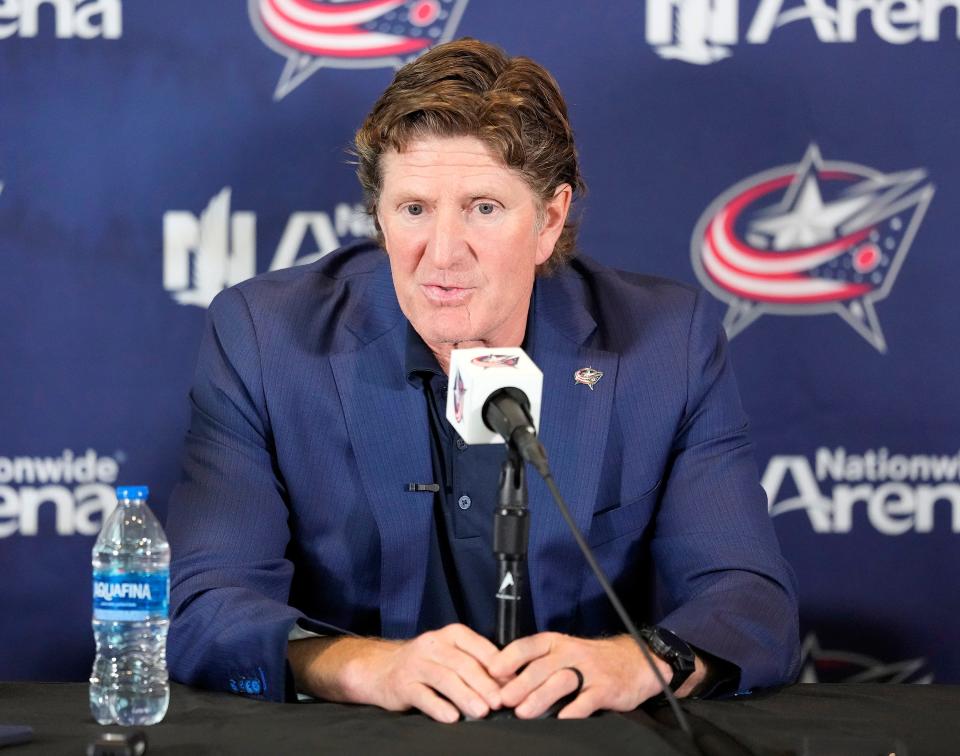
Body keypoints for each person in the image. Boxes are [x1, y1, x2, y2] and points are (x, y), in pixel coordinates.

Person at [166, 38, 799, 723]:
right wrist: (365, 666)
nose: (442, 254)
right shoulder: (266, 339)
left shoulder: (663, 346)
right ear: (380, 213)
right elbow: (205, 606)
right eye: (414, 209)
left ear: (548, 221)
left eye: (483, 208)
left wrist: (632, 661)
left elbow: (751, 601)